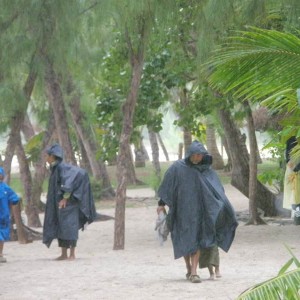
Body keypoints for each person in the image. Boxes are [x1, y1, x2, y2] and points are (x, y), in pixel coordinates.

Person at [157, 140, 238, 283]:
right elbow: (167, 186)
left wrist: (223, 206)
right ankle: (188, 267)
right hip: (182, 211)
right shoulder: (177, 168)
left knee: (198, 240)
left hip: (201, 212)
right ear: (189, 154)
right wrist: (161, 204)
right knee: (184, 241)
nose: (197, 158)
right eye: (194, 155)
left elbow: (217, 189)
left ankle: (194, 272)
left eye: (200, 155)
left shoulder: (207, 170)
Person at [43, 143, 96, 260]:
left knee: (70, 228)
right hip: (61, 206)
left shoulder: (62, 167)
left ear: (52, 156)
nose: (46, 158)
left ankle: (72, 254)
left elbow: (69, 182)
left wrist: (65, 198)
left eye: (47, 156)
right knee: (61, 228)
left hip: (69, 205)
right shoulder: (55, 168)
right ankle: (63, 254)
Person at [0, 167, 20, 263]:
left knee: (2, 236)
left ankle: (0, 254)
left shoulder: (6, 188)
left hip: (3, 216)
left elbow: (15, 199)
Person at [283, 136, 300, 224]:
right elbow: (288, 158)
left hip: (293, 171)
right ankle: (297, 218)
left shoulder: (291, 139)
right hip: (294, 172)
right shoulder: (292, 140)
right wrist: (296, 169)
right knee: (295, 195)